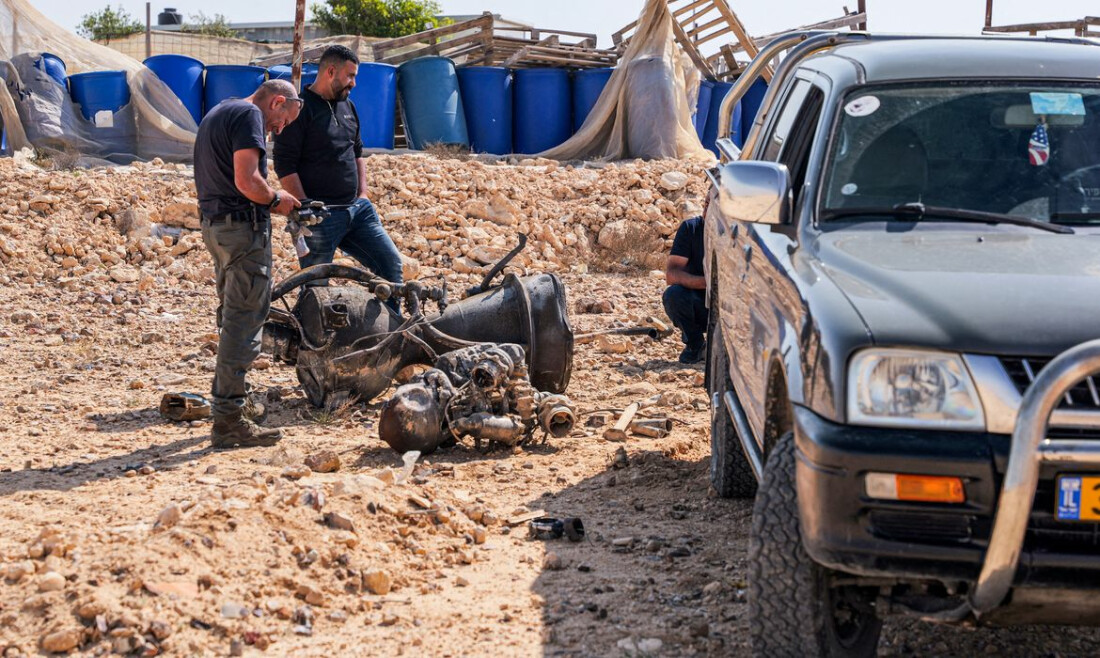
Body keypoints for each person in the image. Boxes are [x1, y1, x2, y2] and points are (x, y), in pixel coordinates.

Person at [195, 79, 303, 448]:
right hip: (242, 232)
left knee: (231, 315)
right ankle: (229, 419)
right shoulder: (248, 116)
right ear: (276, 102)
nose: (280, 129)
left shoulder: (220, 110)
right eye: (283, 120)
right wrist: (276, 199)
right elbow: (247, 179)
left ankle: (233, 401)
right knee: (244, 320)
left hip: (217, 228)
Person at [274, 45, 404, 312]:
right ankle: (311, 344)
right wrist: (304, 205)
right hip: (320, 218)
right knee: (316, 286)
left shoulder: (348, 106)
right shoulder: (300, 109)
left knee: (390, 266)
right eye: (350, 76)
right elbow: (284, 164)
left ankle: (393, 333)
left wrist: (363, 194)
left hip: (357, 211)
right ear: (330, 71)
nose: (354, 83)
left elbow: (357, 152)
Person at [663, 215, 707, 364]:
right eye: (706, 203)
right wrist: (708, 283)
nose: (708, 208)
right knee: (673, 295)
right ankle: (696, 345)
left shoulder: (739, 229)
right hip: (699, 303)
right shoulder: (691, 228)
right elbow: (672, 274)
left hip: (732, 304)